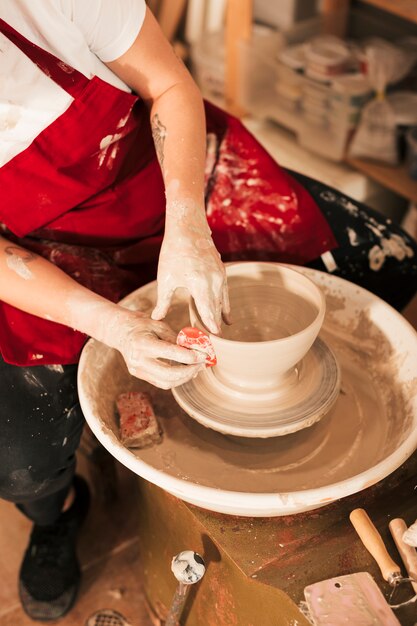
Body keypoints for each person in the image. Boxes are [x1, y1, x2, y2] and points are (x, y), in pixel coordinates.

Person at [1, 0, 416, 621]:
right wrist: (111, 323)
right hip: (42, 256)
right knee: (23, 463)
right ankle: (57, 518)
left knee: (392, 260)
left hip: (168, 179)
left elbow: (169, 83)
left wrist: (189, 225)